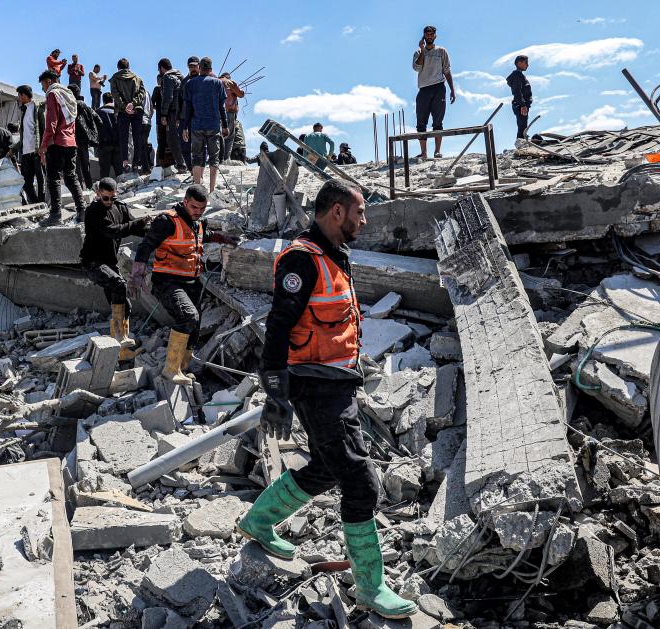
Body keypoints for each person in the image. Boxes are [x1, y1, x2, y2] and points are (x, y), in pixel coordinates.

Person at [236, 180, 416, 620]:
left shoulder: (334, 255)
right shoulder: (302, 258)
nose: (363, 219)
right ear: (336, 211)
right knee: (359, 479)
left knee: (326, 466)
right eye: (359, 211)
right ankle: (371, 587)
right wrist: (275, 391)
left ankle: (259, 520)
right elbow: (278, 326)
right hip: (314, 385)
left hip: (337, 381)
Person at [129, 185, 237, 384]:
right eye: (194, 207)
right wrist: (137, 273)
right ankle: (171, 370)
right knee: (188, 316)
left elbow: (206, 235)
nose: (198, 212)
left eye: (202, 209)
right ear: (185, 201)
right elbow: (146, 245)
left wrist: (224, 238)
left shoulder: (198, 223)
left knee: (194, 327)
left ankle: (183, 369)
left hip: (191, 282)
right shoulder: (167, 221)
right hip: (167, 282)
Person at [81, 178, 151, 359]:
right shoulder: (93, 212)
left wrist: (155, 230)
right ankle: (120, 337)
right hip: (93, 263)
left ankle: (121, 351)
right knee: (119, 285)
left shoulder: (120, 207)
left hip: (109, 263)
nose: (110, 202)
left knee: (124, 303)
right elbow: (113, 231)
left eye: (113, 198)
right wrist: (139, 223)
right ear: (98, 194)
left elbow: (135, 228)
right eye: (106, 198)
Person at [39, 70, 87, 222]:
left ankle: (55, 214)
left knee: (53, 179)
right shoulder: (69, 95)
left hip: (57, 143)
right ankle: (82, 210)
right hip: (71, 143)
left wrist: (43, 144)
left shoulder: (53, 94)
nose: (42, 89)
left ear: (48, 81)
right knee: (71, 178)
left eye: (42, 85)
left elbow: (51, 121)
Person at [182, 56, 228, 192]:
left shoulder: (190, 84)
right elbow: (222, 107)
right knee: (214, 158)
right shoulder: (218, 83)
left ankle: (197, 189)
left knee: (196, 156)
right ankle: (212, 190)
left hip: (196, 126)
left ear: (200, 68)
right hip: (213, 125)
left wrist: (185, 127)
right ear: (211, 69)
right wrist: (225, 125)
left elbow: (188, 108)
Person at [412, 25, 455, 160]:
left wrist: (452, 90)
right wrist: (422, 50)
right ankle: (424, 152)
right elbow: (417, 68)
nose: (429, 36)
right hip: (423, 89)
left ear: (435, 36)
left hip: (438, 88)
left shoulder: (442, 51)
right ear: (424, 36)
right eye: (427, 34)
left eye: (432, 34)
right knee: (421, 122)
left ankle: (437, 151)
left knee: (438, 121)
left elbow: (447, 71)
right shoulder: (418, 53)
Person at [10, 85, 46, 204]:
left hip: (36, 152)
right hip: (25, 153)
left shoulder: (38, 109)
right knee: (26, 182)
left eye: (19, 95)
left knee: (41, 180)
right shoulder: (24, 111)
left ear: (24, 95)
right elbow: (24, 136)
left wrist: (42, 149)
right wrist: (13, 149)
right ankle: (36, 204)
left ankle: (42, 204)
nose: (19, 98)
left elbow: (43, 130)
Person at [110, 58, 147, 173]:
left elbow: (115, 95)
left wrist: (124, 106)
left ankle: (125, 163)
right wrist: (133, 104)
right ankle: (136, 164)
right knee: (137, 137)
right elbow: (142, 93)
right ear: (128, 67)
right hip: (137, 110)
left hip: (122, 112)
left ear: (118, 67)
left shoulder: (115, 78)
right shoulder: (137, 78)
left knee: (124, 138)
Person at [70, 85, 101, 190]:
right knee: (85, 166)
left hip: (73, 139)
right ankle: (89, 187)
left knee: (76, 166)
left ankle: (80, 188)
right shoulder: (86, 106)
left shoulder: (70, 106)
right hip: (84, 140)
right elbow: (99, 120)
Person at [179, 57, 200, 171]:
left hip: (199, 117)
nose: (193, 68)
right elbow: (179, 100)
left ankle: (199, 169)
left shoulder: (204, 80)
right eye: (190, 66)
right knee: (185, 146)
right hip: (185, 117)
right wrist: (178, 117)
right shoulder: (184, 81)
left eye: (195, 66)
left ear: (199, 66)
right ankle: (191, 169)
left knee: (200, 146)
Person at [96, 93, 123, 178]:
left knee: (104, 172)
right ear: (112, 100)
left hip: (104, 145)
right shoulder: (119, 112)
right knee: (119, 172)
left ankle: (104, 190)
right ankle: (122, 189)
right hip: (118, 145)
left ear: (103, 101)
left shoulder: (98, 112)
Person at [506, 55, 533, 141]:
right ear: (519, 63)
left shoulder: (519, 75)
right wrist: (523, 105)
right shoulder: (517, 75)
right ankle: (521, 147)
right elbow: (517, 91)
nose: (527, 65)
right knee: (522, 128)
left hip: (521, 105)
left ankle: (522, 144)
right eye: (526, 63)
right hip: (520, 106)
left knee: (523, 127)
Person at [219, 72, 244, 161]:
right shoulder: (229, 82)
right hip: (228, 113)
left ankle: (217, 158)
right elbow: (241, 94)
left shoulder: (215, 81)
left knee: (218, 136)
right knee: (229, 137)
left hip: (216, 113)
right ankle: (225, 159)